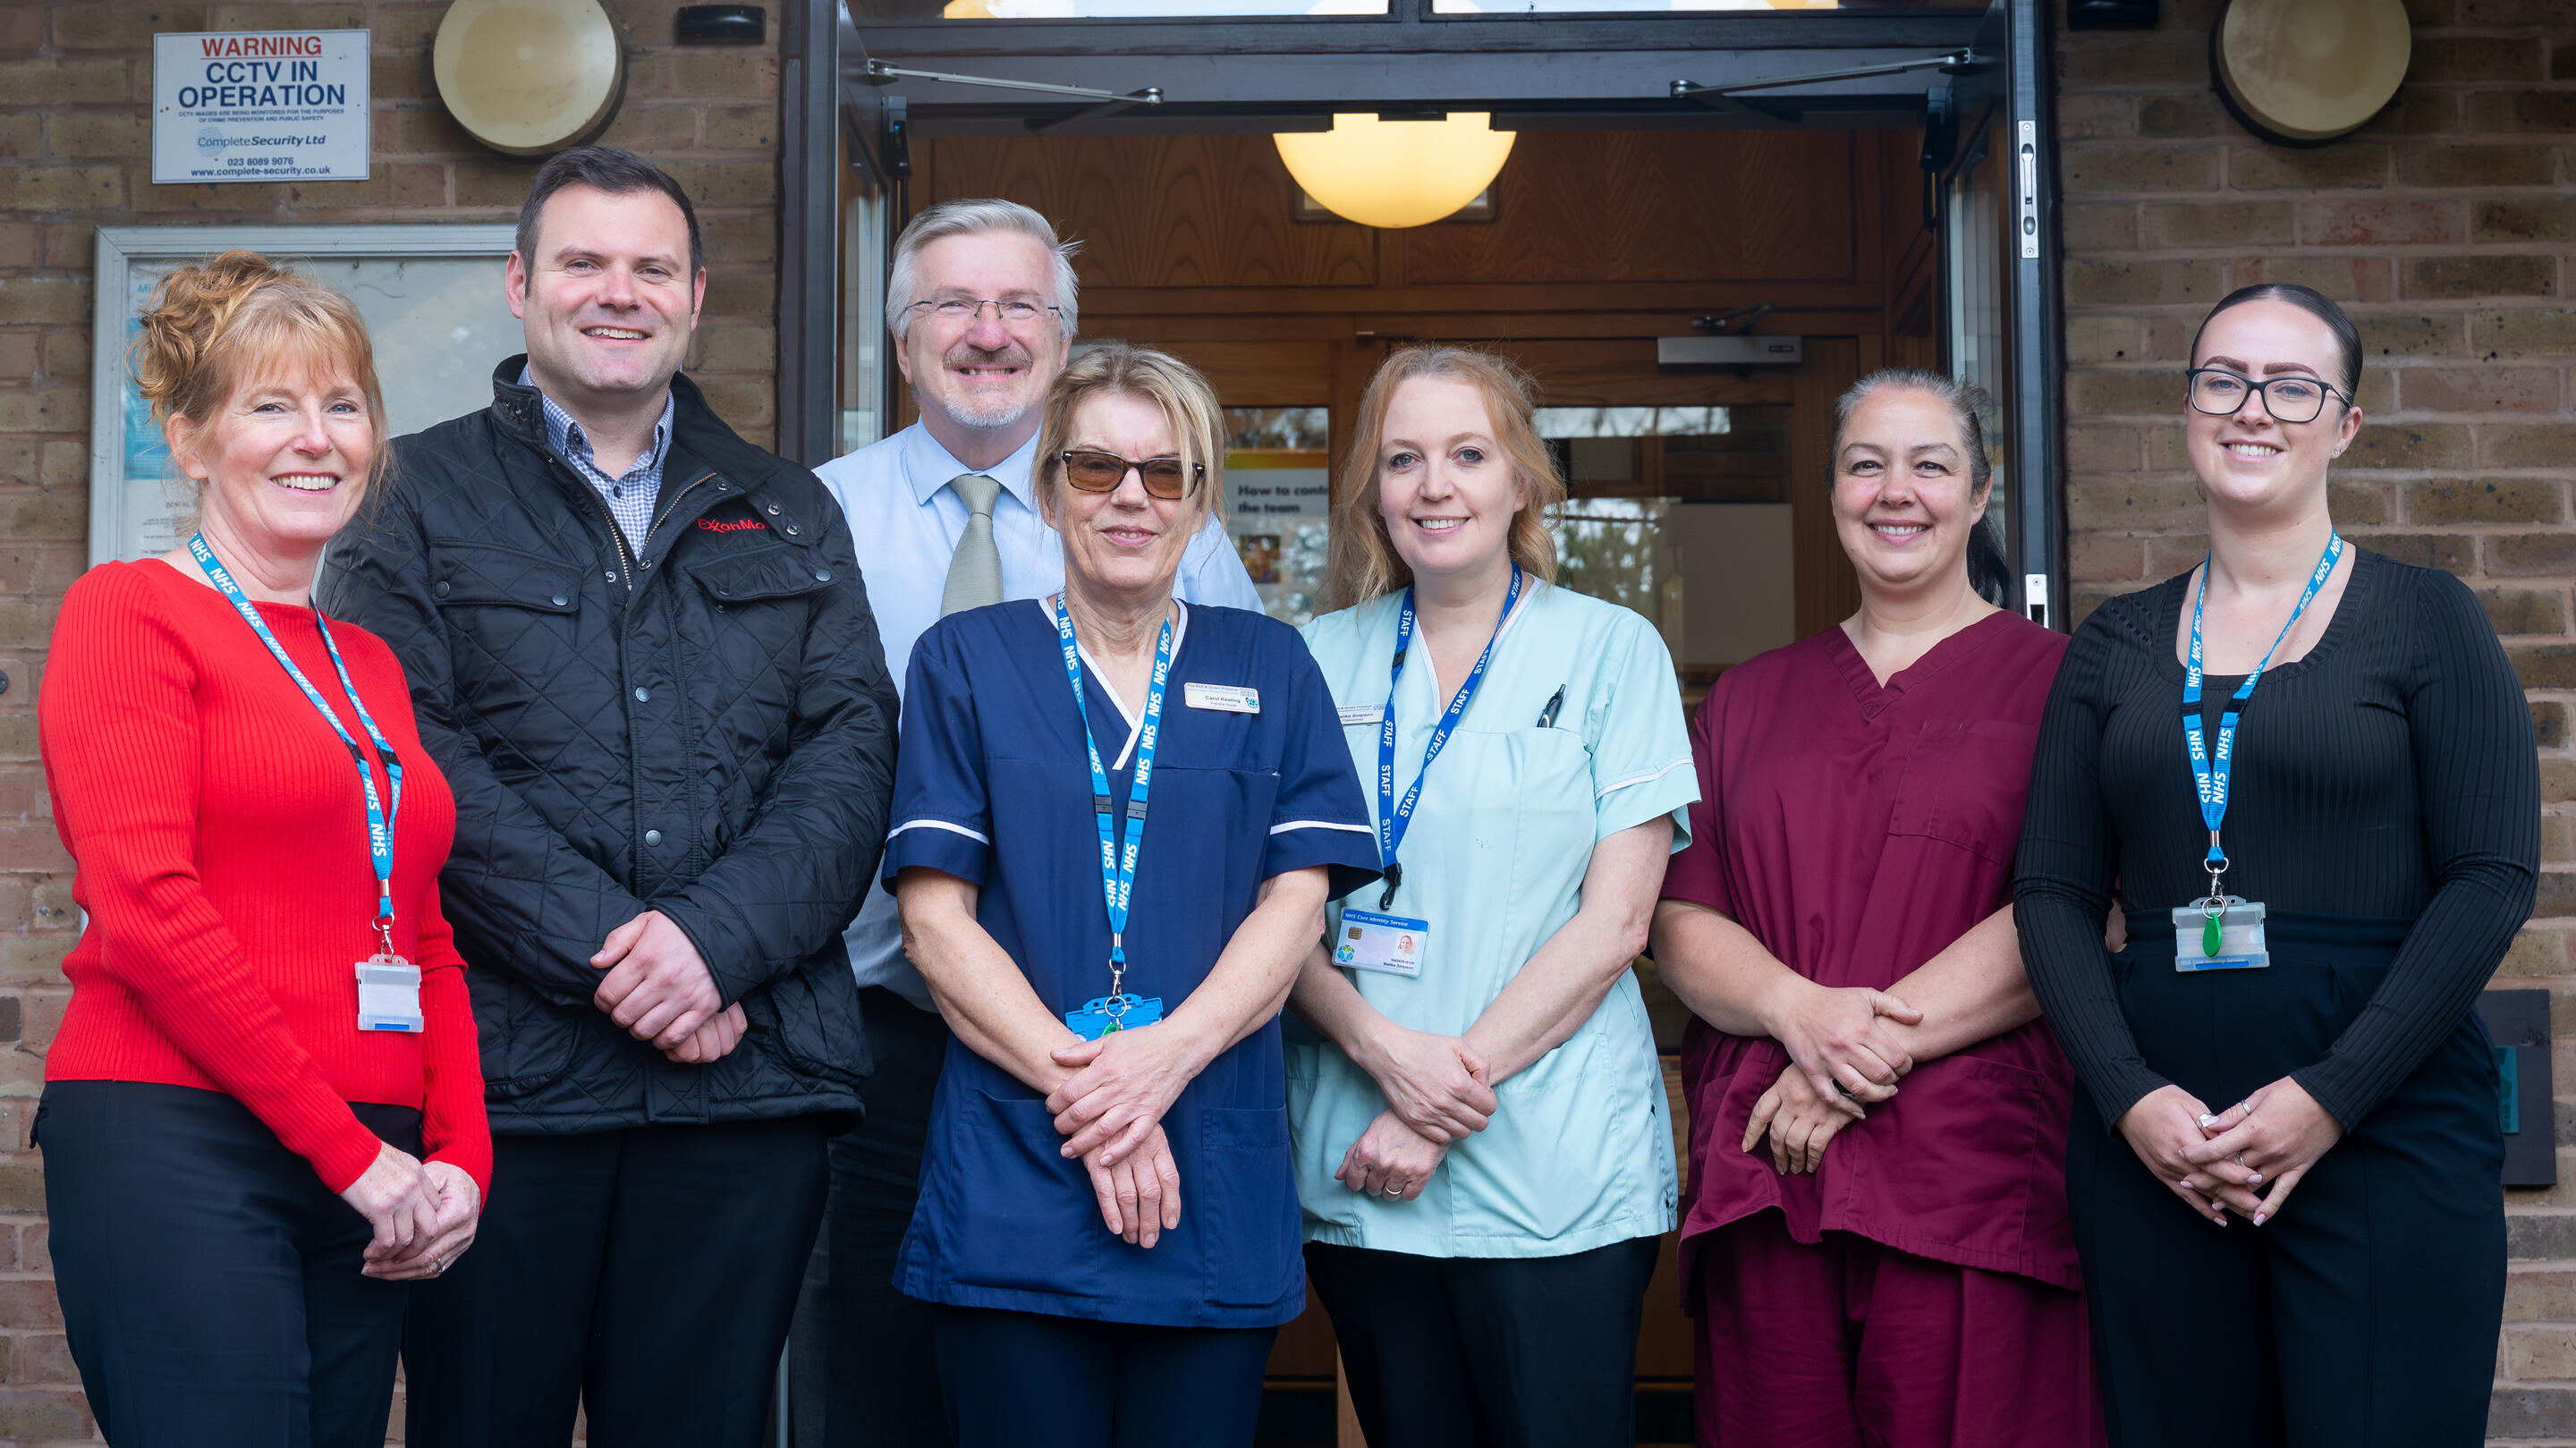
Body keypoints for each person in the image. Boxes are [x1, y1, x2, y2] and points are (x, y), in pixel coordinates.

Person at [318, 148, 899, 1448]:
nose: (617, 292)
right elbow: (403, 753)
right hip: (500, 1091)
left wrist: (715, 945)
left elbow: (851, 752)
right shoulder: (408, 497)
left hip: (747, 1084)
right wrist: (631, 960)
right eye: (583, 262)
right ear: (520, 284)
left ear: (695, 296)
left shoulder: (789, 507)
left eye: (651, 268)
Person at [2015, 283, 2536, 1446]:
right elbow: (2050, 891)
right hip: (2161, 1146)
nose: (2253, 408)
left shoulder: (2427, 617)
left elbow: (2493, 873)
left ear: (2344, 424)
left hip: (2385, 1129)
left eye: (2293, 386)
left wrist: (2332, 1094)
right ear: (2188, 409)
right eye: (2224, 379)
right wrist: (2126, 1093)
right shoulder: (2112, 642)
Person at [809, 198, 1259, 1447]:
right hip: (881, 1025)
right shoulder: (816, 517)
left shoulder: (1181, 536)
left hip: (1137, 1041)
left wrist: (1132, 1063)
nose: (989, 331)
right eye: (953, 303)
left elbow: (1231, 785)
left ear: (1063, 340)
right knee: (886, 1377)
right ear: (903, 340)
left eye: (1021, 305)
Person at [884, 343, 1377, 1448]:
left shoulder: (1273, 664)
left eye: (1166, 472)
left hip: (1208, 1166)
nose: (1130, 497)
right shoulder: (964, 659)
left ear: (1201, 501)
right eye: (1097, 466)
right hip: (1020, 1167)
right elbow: (933, 922)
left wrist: (1163, 1061)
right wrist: (1106, 1098)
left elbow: (1295, 907)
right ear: (1049, 486)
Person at [37, 250, 488, 1445]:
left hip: (370, 1162)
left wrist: (460, 1154)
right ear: (190, 441)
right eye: (272, 405)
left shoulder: (367, 662)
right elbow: (145, 907)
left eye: (343, 405)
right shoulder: (127, 611)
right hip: (181, 1135)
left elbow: (423, 926)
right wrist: (352, 1154)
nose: (316, 439)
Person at [1647, 370, 2095, 1447]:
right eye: (1865, 465)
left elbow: (2075, 910)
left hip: (1968, 1177)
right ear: (1834, 492)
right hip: (1772, 1168)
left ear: (1979, 494)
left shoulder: (2065, 685)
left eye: (1930, 465)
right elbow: (1680, 919)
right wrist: (1799, 1012)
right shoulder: (1748, 698)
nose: (1897, 491)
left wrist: (1849, 1058)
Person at [1284, 346, 1696, 1448]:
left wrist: (1432, 1096)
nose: (1435, 485)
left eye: (1468, 454)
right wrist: (1384, 1055)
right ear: (1374, 490)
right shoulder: (1313, 659)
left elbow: (1617, 923)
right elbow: (1275, 917)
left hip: (1553, 1163)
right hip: (1362, 1156)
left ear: (1523, 479)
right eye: (1403, 458)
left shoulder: (1613, 650)